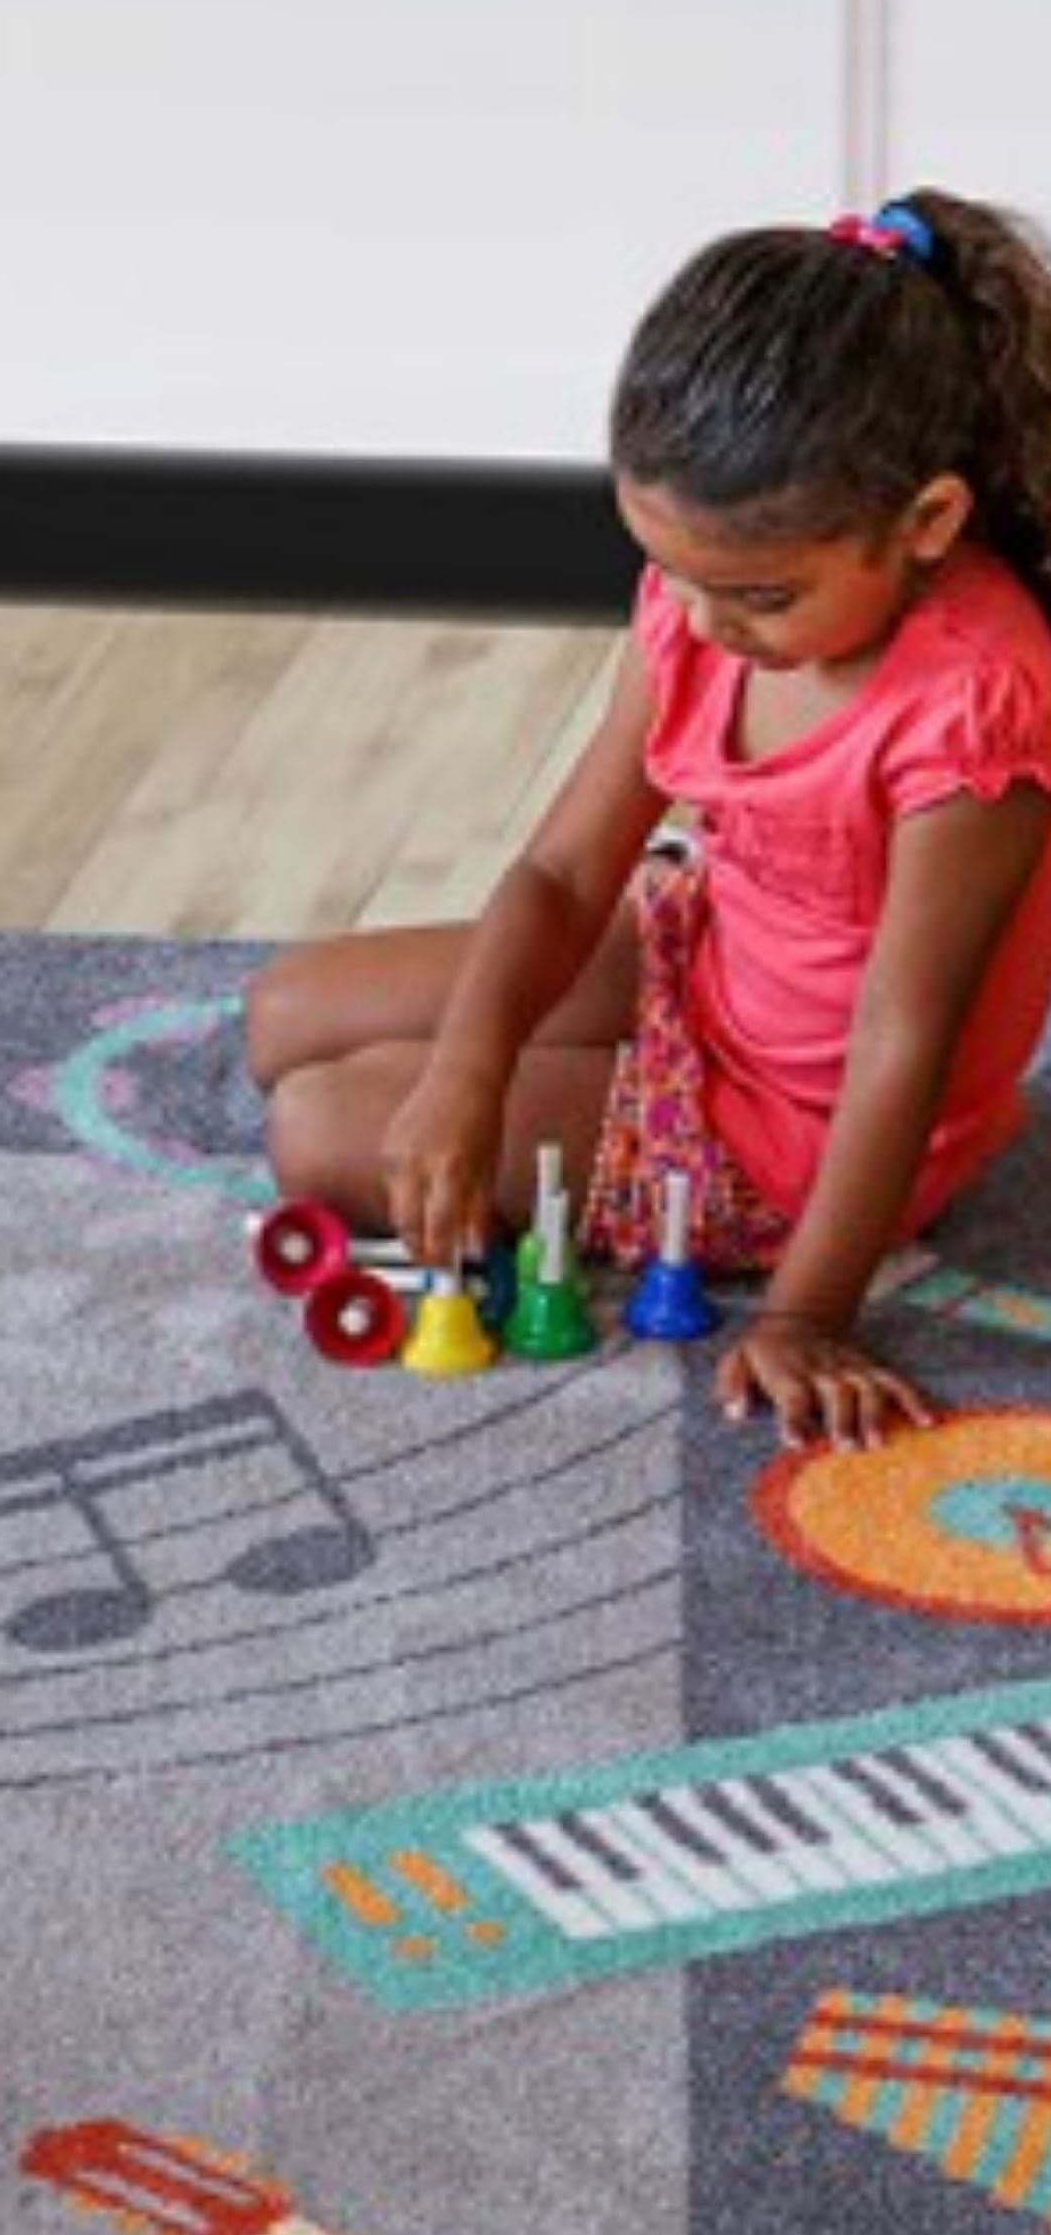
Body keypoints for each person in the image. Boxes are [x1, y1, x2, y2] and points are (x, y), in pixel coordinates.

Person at [243, 188, 1051, 1446]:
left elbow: (909, 1035)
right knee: (284, 1015)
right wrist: (470, 1071)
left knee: (318, 1125)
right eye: (671, 570)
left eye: (756, 595)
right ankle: (502, 1082)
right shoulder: (701, 603)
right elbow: (567, 872)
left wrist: (804, 1315)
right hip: (706, 953)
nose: (702, 620)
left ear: (929, 523)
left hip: (796, 1128)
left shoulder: (971, 709)